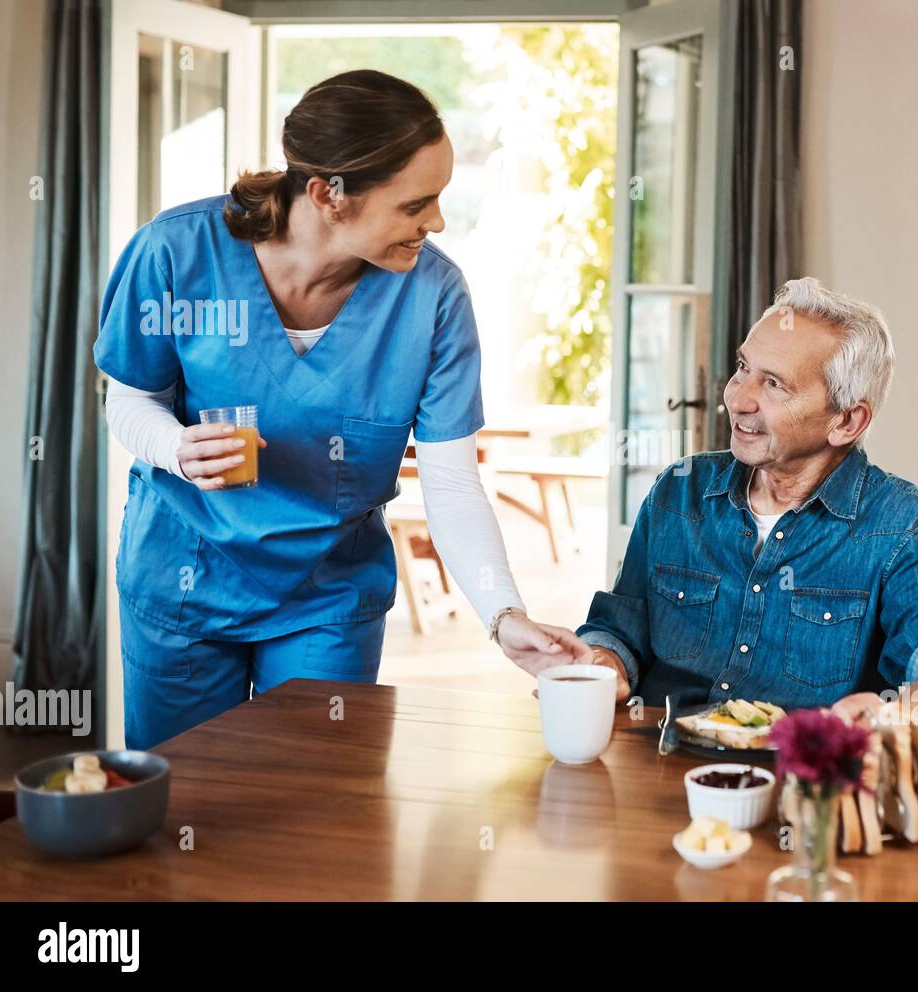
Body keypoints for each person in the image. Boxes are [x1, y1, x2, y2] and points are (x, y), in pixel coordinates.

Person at [94, 70, 588, 750]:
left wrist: (504, 614)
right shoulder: (177, 253)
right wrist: (174, 448)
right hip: (185, 577)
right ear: (329, 195)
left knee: (313, 811)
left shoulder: (433, 297)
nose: (437, 222)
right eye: (417, 204)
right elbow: (131, 399)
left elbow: (449, 480)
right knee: (187, 808)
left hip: (327, 597)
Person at [576, 277, 918, 742]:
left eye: (774, 384)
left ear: (846, 420)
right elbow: (619, 631)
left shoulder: (903, 528)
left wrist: (897, 719)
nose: (736, 399)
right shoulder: (679, 493)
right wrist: (600, 663)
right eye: (743, 367)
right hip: (660, 768)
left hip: (804, 790)